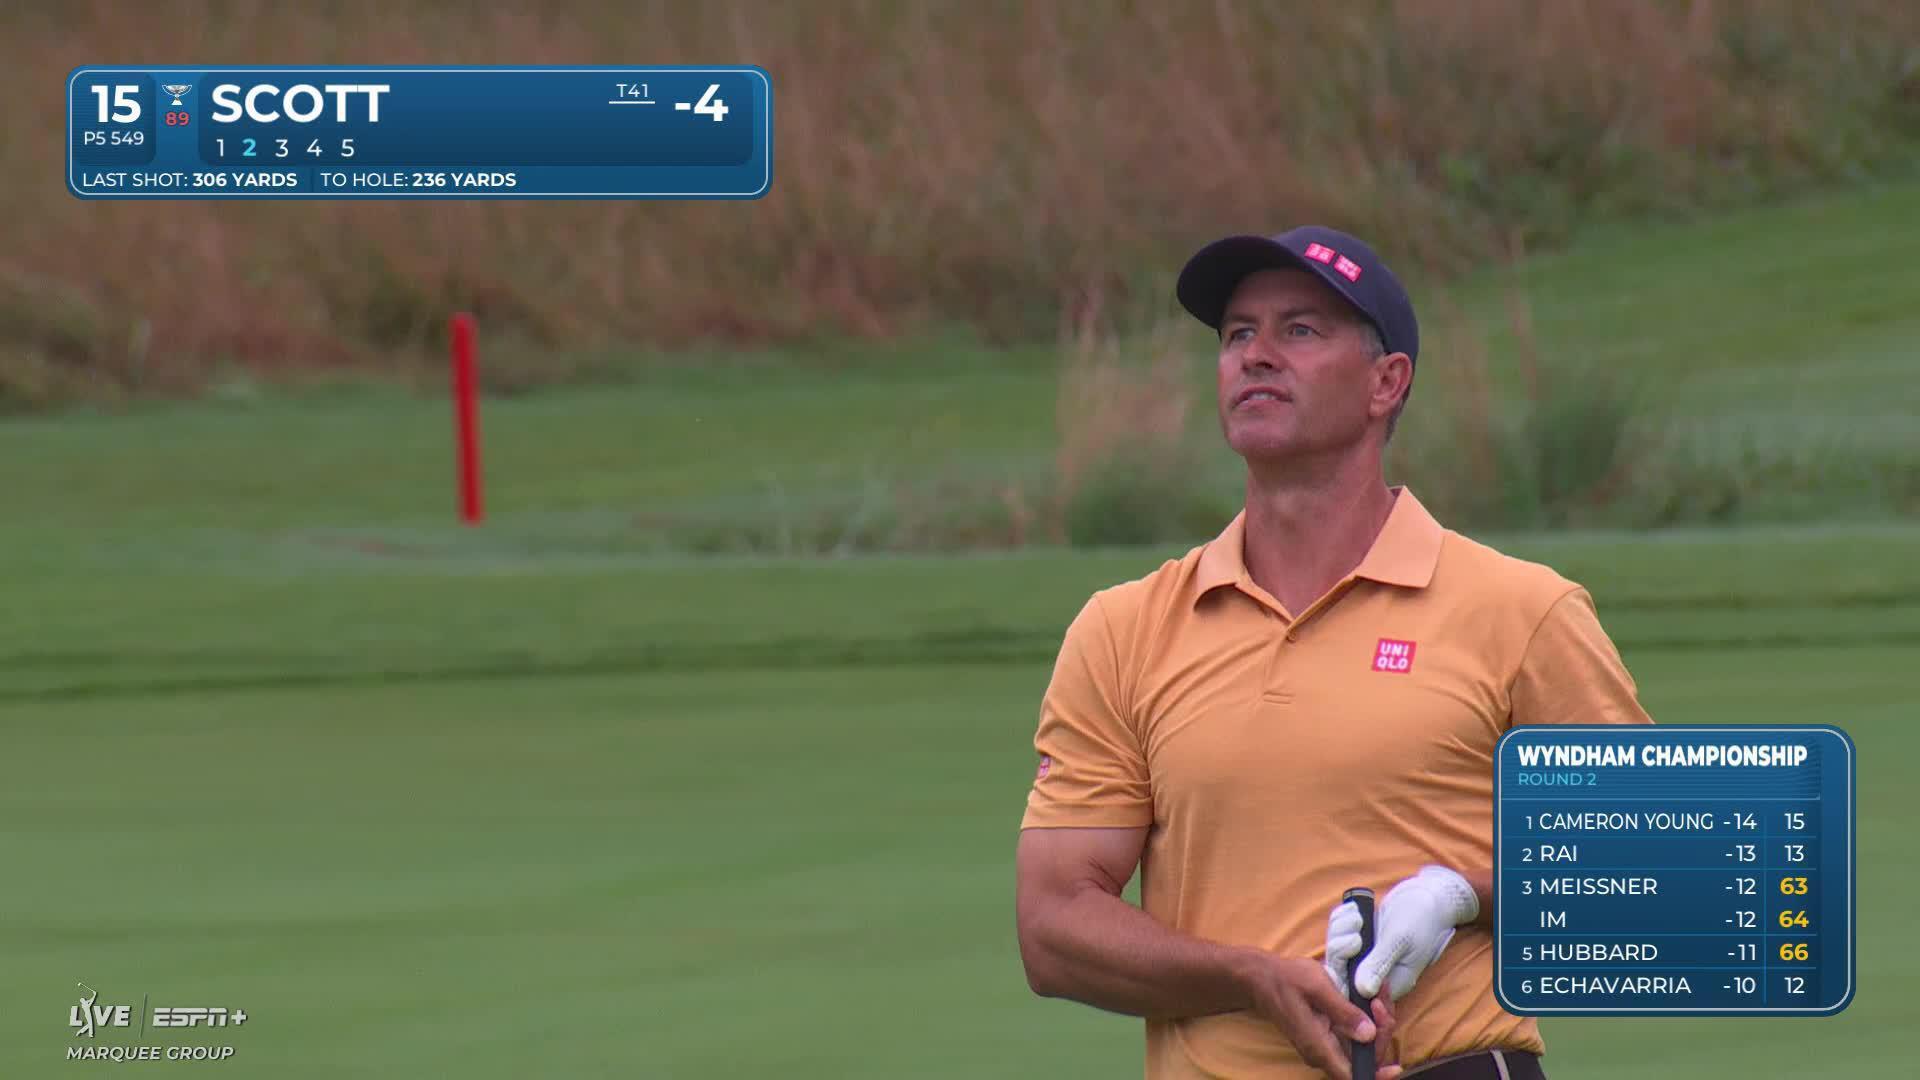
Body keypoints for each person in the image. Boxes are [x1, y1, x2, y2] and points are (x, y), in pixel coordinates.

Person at [1013, 226, 1653, 1079]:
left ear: (1386, 383)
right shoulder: (1126, 629)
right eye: (1238, 334)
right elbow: (1055, 929)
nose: (1257, 356)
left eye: (1300, 331)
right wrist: (1251, 978)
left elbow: (1653, 863)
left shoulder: (1521, 610)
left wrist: (1461, 895)